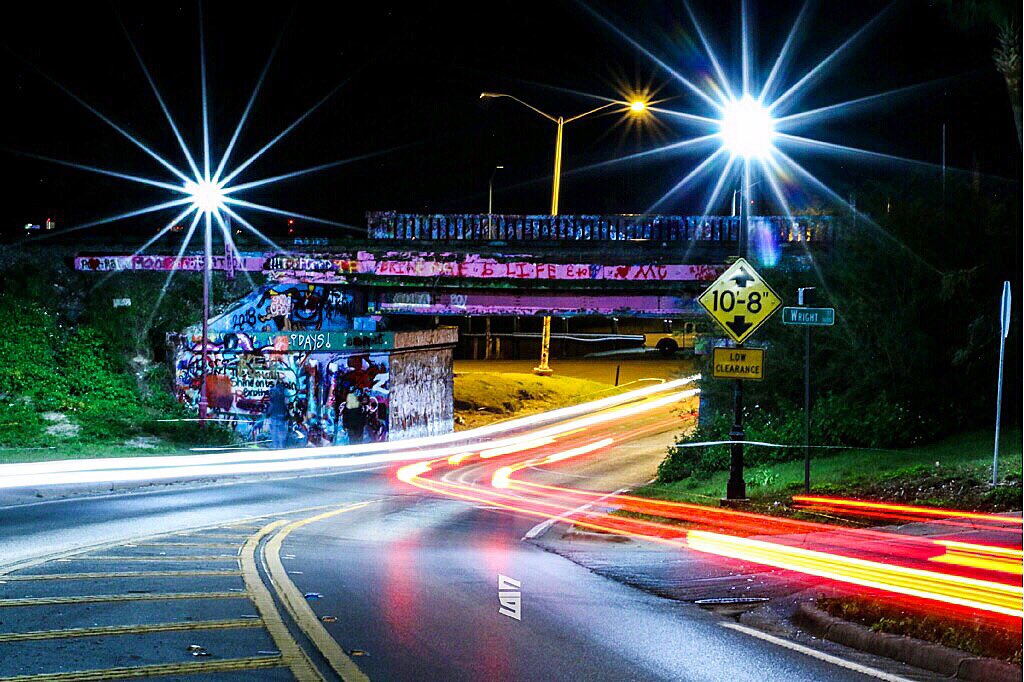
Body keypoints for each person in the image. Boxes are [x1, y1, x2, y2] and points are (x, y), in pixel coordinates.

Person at [266, 378, 289, 449]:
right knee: (282, 433)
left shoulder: (272, 390)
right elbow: (287, 403)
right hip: (282, 414)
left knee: (274, 433)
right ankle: (281, 447)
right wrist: (288, 413)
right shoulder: (286, 392)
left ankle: (275, 447)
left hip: (274, 414)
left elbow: (270, 403)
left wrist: (268, 413)